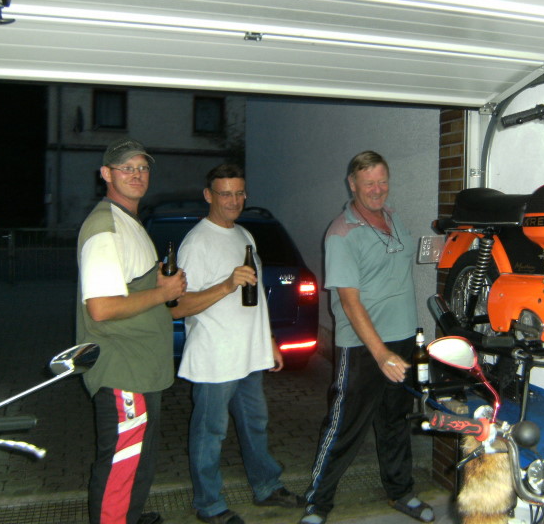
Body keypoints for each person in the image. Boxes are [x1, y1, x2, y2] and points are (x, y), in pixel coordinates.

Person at [299, 151, 434, 524]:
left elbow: (396, 264)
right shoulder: (341, 233)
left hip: (402, 336)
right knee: (345, 425)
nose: (377, 189)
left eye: (383, 181)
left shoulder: (392, 217)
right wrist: (380, 354)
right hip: (363, 346)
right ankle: (317, 503)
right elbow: (348, 300)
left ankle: (401, 492)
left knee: (395, 420)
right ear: (352, 184)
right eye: (369, 183)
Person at [172, 163, 303, 524]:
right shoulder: (196, 243)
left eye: (239, 193)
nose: (233, 200)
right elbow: (178, 306)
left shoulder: (244, 234)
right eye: (225, 193)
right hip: (215, 357)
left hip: (249, 353)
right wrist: (227, 285)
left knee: (255, 424)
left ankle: (266, 486)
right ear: (208, 195)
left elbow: (255, 294)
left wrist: (270, 339)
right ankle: (209, 505)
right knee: (210, 432)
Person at [76, 137, 187, 524]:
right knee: (121, 463)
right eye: (127, 168)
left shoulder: (129, 222)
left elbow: (132, 288)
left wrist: (160, 285)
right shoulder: (105, 228)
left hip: (141, 368)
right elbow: (102, 308)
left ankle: (131, 517)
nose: (137, 174)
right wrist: (162, 293)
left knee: (139, 457)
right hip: (123, 370)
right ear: (106, 174)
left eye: (142, 168)